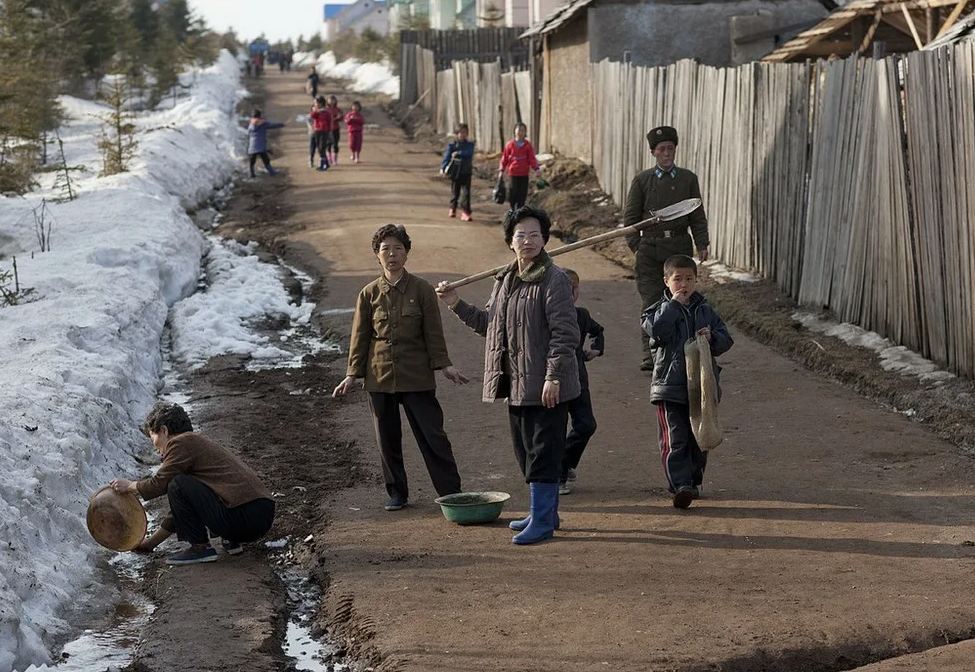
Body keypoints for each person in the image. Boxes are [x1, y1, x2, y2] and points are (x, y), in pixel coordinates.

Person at [436, 206, 580, 545]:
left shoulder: (554, 279)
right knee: (526, 451)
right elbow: (489, 325)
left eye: (534, 234)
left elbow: (565, 333)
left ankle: (543, 521)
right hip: (516, 382)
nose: (527, 240)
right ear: (510, 242)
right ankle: (545, 512)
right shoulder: (505, 279)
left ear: (544, 239)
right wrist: (455, 303)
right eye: (520, 235)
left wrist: (554, 376)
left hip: (547, 385)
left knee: (544, 452)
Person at [333, 224, 468, 511]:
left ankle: (451, 491)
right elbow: (361, 337)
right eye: (385, 249)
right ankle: (397, 493)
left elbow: (433, 332)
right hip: (379, 377)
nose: (392, 254)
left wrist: (444, 365)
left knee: (433, 436)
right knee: (387, 440)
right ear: (377, 255)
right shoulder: (368, 294)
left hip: (417, 377)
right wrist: (351, 374)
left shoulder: (421, 290)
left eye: (398, 248)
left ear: (406, 253)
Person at [109, 402, 275, 565]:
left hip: (243, 516)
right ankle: (231, 540)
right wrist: (151, 543)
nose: (156, 447)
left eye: (153, 437)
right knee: (182, 486)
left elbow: (159, 484)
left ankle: (200, 549)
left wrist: (130, 486)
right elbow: (183, 507)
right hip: (261, 515)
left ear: (164, 430)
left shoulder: (180, 442)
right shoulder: (197, 443)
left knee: (177, 483)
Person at [642, 254, 733, 509]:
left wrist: (711, 337)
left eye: (689, 279)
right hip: (669, 386)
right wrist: (672, 305)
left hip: (700, 386)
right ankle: (679, 484)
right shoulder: (656, 310)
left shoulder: (705, 310)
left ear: (696, 280)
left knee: (699, 437)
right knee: (675, 437)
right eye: (677, 279)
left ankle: (693, 481)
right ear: (666, 281)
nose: (684, 284)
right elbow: (657, 331)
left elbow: (726, 339)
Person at [623, 125, 710, 372]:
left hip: (679, 248)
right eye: (661, 149)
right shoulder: (642, 181)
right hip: (650, 250)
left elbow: (697, 214)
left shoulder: (688, 179)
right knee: (652, 302)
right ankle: (651, 355)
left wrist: (702, 243)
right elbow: (630, 219)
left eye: (670, 148)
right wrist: (638, 248)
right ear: (653, 152)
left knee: (681, 297)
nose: (667, 153)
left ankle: (682, 350)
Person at [557, 268, 604, 495]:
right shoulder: (545, 315)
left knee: (586, 425)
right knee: (554, 429)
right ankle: (558, 478)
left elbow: (597, 331)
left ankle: (565, 463)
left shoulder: (582, 315)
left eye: (574, 287)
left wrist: (596, 349)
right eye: (564, 287)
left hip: (578, 379)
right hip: (552, 380)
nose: (570, 291)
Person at [498, 122, 540, 212]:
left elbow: (531, 158)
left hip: (524, 173)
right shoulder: (510, 145)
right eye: (519, 130)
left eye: (523, 130)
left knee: (522, 194)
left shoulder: (527, 145)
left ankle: (520, 211)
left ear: (525, 132)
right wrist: (501, 170)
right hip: (513, 173)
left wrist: (536, 168)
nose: (521, 132)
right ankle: (512, 209)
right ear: (514, 131)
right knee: (513, 192)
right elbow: (504, 158)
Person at [439, 123, 475, 221]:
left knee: (466, 193)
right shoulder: (452, 146)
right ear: (457, 133)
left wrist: (459, 153)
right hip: (455, 172)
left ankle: (466, 212)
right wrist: (443, 168)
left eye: (464, 132)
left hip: (466, 171)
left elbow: (469, 153)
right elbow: (447, 157)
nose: (462, 134)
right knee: (455, 192)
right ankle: (453, 208)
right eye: (460, 132)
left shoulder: (470, 145)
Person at [246, 109, 285, 178]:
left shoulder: (250, 124)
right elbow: (273, 125)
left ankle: (251, 174)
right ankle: (272, 172)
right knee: (265, 159)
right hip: (260, 146)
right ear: (259, 116)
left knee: (252, 161)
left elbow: (249, 134)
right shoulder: (262, 123)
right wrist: (282, 124)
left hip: (252, 146)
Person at [309, 96, 331, 171]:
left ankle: (322, 165)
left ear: (321, 103)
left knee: (322, 148)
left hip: (324, 131)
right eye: (315, 103)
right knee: (319, 148)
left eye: (317, 103)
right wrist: (316, 111)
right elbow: (312, 116)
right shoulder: (316, 111)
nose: (315, 104)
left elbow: (329, 121)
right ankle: (326, 163)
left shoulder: (326, 112)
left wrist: (329, 131)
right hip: (317, 131)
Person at [323, 95, 344, 166]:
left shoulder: (338, 109)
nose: (332, 101)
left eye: (333, 100)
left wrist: (339, 117)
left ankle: (335, 159)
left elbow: (342, 117)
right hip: (327, 129)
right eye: (330, 100)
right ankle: (329, 159)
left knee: (335, 144)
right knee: (328, 145)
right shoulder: (325, 109)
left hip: (336, 128)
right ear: (327, 101)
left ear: (336, 101)